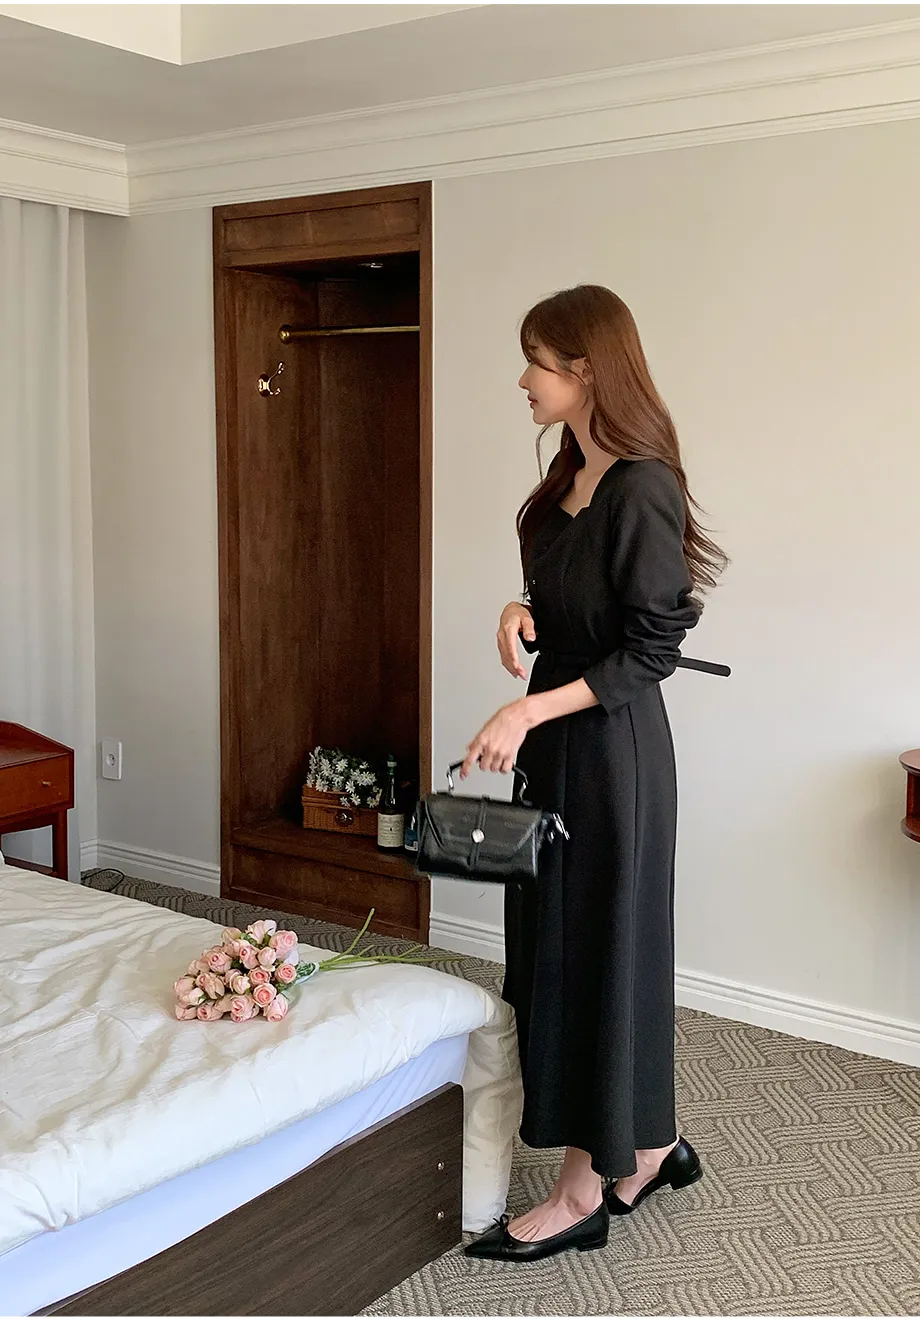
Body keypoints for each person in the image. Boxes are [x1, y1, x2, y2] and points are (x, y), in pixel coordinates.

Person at [460, 285, 728, 1263]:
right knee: (551, 944)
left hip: (612, 756)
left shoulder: (644, 485)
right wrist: (517, 611)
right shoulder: (569, 472)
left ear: (584, 369)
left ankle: (582, 1192)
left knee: (594, 953)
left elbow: (650, 650)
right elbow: (577, 603)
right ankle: (648, 1143)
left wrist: (527, 707)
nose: (521, 380)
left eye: (535, 361)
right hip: (556, 747)